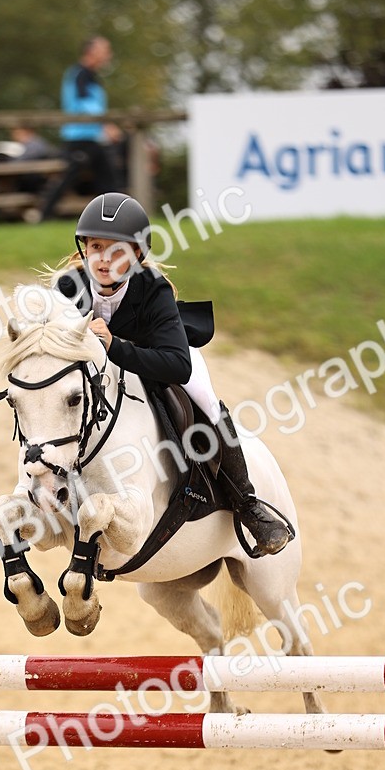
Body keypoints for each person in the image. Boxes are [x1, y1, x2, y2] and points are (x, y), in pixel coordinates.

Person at [51, 192, 293, 555]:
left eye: (116, 250)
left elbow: (176, 364)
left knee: (206, 401)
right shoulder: (68, 288)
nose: (104, 258)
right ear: (84, 247)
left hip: (160, 354)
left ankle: (247, 503)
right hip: (98, 371)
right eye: (96, 246)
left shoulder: (154, 289)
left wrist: (115, 346)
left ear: (136, 255)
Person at [39, 37, 117, 220]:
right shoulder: (80, 74)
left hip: (91, 137)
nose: (109, 55)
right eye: (106, 50)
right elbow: (84, 104)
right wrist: (105, 124)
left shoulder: (90, 76)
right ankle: (42, 215)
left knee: (108, 180)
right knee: (68, 179)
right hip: (79, 138)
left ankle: (113, 220)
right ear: (91, 52)